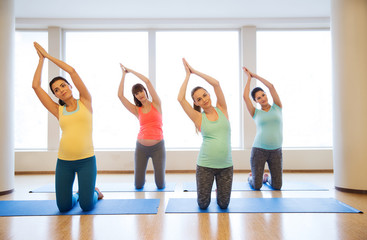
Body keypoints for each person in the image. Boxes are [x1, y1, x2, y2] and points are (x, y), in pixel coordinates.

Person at [32, 42, 103, 212]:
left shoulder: (85, 101)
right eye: (56, 90)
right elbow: (35, 86)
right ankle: (79, 194)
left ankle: (94, 192)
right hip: (64, 162)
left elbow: (72, 71)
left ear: (70, 86)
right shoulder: (58, 110)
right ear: (55, 95)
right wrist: (41, 60)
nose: (61, 90)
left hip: (86, 161)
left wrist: (48, 56)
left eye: (63, 85)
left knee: (87, 206)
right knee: (63, 207)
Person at [178, 58, 233, 209]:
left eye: (204, 95)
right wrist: (187, 76)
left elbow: (216, 83)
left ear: (209, 94)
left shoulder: (222, 108)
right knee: (203, 204)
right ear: (196, 103)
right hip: (205, 166)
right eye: (199, 99)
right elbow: (180, 99)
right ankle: (210, 190)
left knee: (223, 205)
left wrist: (194, 71)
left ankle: (219, 190)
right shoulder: (198, 117)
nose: (203, 99)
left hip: (226, 165)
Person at [118, 64, 166, 189]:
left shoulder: (157, 104)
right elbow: (120, 96)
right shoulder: (136, 110)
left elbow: (148, 81)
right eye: (136, 93)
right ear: (135, 97)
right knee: (138, 186)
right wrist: (123, 75)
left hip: (158, 147)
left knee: (160, 185)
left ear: (145, 91)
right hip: (141, 148)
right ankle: (141, 177)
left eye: (141, 91)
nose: (140, 94)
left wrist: (131, 71)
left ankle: (156, 178)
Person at [242, 67, 283, 190]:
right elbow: (245, 97)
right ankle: (252, 178)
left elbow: (271, 87)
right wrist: (249, 79)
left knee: (277, 186)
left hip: (276, 151)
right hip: (259, 150)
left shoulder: (277, 107)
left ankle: (265, 177)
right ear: (256, 101)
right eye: (258, 98)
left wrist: (255, 75)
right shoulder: (256, 113)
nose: (262, 98)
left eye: (263, 95)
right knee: (257, 186)